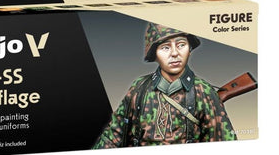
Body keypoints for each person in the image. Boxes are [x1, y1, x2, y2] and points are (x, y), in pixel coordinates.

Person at [93, 22, 237, 147]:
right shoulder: (139, 87)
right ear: (154, 54)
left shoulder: (203, 91)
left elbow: (223, 142)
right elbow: (113, 136)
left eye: (181, 45)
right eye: (165, 47)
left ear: (189, 50)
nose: (174, 53)